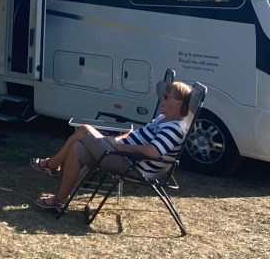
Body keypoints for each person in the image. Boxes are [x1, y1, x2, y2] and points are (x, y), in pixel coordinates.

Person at [30, 81, 193, 211]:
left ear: (179, 103)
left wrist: (121, 147)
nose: (162, 99)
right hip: (122, 154)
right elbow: (135, 134)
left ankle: (52, 164)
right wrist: (117, 140)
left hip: (133, 165)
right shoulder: (163, 118)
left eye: (166, 96)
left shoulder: (175, 128)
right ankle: (60, 200)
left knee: (84, 130)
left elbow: (153, 152)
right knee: (76, 147)